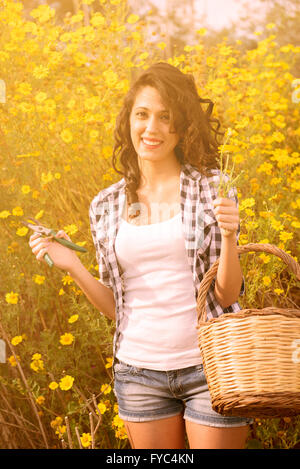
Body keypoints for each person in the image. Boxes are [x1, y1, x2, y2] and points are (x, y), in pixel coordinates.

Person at [29, 62, 252, 449]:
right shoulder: (106, 204)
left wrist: (230, 235)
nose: (152, 129)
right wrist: (73, 266)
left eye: (166, 118)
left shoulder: (212, 188)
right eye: (143, 115)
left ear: (182, 127)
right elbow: (119, 307)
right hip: (138, 372)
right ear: (128, 121)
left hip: (210, 366)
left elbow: (227, 296)